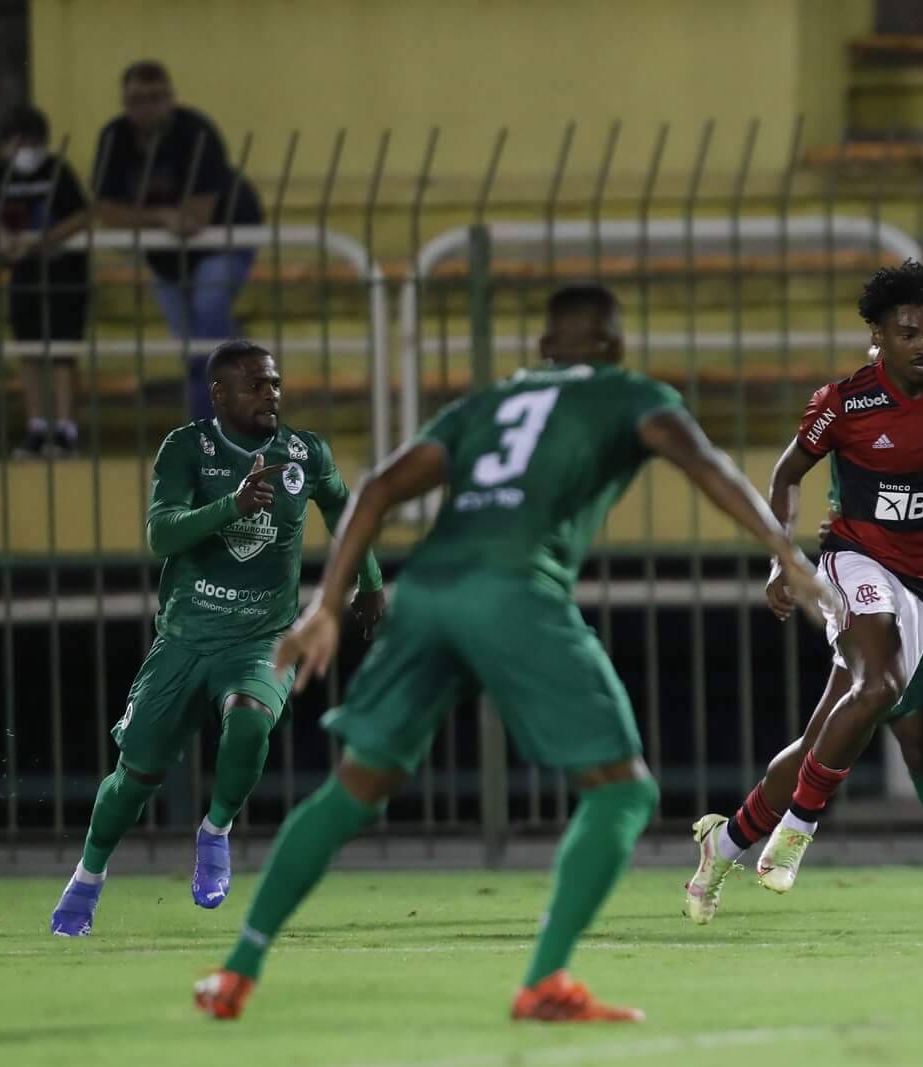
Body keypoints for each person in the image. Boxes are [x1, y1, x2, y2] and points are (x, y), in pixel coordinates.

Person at [191, 284, 834, 1024]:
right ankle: (545, 981)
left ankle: (237, 969)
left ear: (542, 349)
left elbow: (377, 486)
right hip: (515, 591)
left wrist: (325, 606)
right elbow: (706, 464)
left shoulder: (484, 405)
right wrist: (783, 552)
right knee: (622, 791)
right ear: (614, 346)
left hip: (427, 592)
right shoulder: (629, 394)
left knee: (353, 787)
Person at [682, 260, 923, 916]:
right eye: (909, 333)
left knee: (827, 730)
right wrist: (781, 560)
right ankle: (795, 832)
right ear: (877, 337)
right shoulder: (845, 403)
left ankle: (730, 838)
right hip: (854, 563)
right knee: (882, 689)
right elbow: (786, 472)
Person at [47, 340, 385, 937]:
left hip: (262, 638)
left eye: (275, 383)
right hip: (184, 639)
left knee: (251, 717)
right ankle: (88, 877)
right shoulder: (185, 448)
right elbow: (162, 534)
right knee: (135, 779)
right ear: (220, 393)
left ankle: (217, 829)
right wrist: (232, 504)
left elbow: (345, 513)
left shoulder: (303, 452)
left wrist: (371, 582)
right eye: (256, 384)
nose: (271, 394)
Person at [92, 60, 264, 420]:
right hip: (166, 257)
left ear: (171, 97)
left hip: (224, 238)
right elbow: (106, 211)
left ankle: (212, 425)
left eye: (157, 97)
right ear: (124, 102)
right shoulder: (115, 138)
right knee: (193, 345)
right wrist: (160, 218)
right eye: (138, 99)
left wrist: (143, 218)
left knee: (206, 328)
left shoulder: (196, 132)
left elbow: (195, 219)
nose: (148, 107)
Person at [0, 106, 91, 458]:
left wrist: (46, 238)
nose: (26, 150)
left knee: (62, 352)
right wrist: (1, 235)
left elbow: (81, 215)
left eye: (33, 142)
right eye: (18, 142)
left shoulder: (56, 172)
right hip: (25, 276)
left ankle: (66, 430)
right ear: (4, 145)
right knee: (30, 351)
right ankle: (36, 428)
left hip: (64, 274)